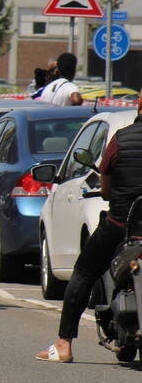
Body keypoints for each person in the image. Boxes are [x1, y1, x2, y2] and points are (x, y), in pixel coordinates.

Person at [36, 99, 142, 363]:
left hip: (122, 226)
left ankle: (63, 345)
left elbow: (105, 185)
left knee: (84, 272)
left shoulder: (121, 139)